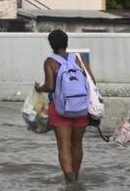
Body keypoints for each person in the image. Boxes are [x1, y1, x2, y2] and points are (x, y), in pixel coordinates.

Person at [35, 29, 96, 182]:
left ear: (51, 44)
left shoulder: (50, 62)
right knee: (77, 144)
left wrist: (38, 88)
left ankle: (70, 179)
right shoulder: (78, 58)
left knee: (64, 145)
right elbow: (92, 81)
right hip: (81, 108)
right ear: (66, 42)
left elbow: (50, 86)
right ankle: (76, 176)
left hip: (60, 109)